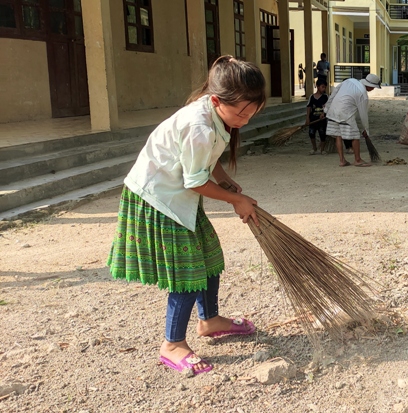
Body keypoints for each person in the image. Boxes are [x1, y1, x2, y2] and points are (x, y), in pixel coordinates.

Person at [107, 55, 266, 375]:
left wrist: (222, 178)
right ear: (217, 100)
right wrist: (236, 200)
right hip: (158, 199)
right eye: (241, 113)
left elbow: (207, 158)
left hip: (178, 196)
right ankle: (172, 345)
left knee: (209, 257)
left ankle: (209, 321)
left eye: (253, 113)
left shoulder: (214, 114)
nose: (246, 120)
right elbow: (194, 181)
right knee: (188, 273)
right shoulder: (199, 126)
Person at [324, 74, 381, 167]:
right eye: (373, 88)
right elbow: (363, 114)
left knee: (338, 135)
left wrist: (327, 108)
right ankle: (357, 160)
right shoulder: (363, 94)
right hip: (346, 114)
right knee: (355, 136)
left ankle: (342, 160)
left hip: (333, 111)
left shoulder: (349, 81)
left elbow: (334, 93)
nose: (373, 89)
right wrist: (365, 129)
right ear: (370, 86)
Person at [305, 79, 328, 155]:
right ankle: (314, 148)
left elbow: (328, 106)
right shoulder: (312, 97)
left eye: (325, 87)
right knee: (311, 133)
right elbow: (308, 107)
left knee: (322, 134)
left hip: (322, 120)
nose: (324, 89)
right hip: (313, 119)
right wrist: (307, 118)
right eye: (322, 87)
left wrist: (324, 113)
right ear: (317, 87)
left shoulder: (325, 97)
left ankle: (322, 149)